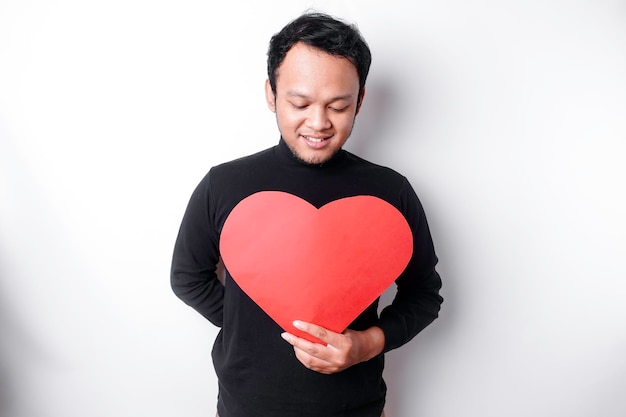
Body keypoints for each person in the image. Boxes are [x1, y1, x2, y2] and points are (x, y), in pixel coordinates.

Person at [171, 11, 443, 417]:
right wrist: (249, 321)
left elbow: (424, 295)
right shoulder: (224, 185)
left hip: (358, 407)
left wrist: (365, 344)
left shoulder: (391, 191)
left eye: (338, 106)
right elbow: (187, 277)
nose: (318, 123)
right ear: (271, 94)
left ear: (361, 101)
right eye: (300, 103)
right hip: (247, 408)